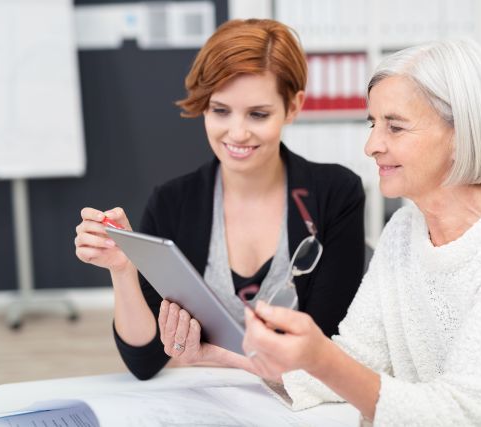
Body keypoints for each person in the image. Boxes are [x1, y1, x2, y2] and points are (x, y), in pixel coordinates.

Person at [242, 39, 481, 426]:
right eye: (373, 124)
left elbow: (466, 415)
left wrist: (322, 359)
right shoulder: (404, 230)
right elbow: (359, 355)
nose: (371, 145)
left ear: (460, 133)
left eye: (395, 127)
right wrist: (238, 359)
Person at [74, 19, 365, 381]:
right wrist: (123, 270)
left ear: (293, 107)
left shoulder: (336, 193)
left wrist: (213, 356)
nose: (237, 133)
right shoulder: (171, 203)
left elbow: (326, 350)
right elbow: (144, 361)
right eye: (220, 110)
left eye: (258, 114)